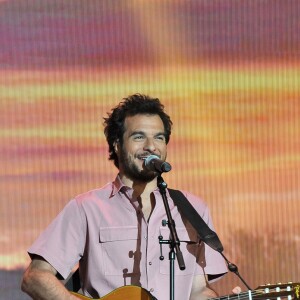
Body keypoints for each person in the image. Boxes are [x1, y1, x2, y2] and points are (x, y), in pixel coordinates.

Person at [21, 94, 228, 300]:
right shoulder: (86, 208)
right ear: (117, 145)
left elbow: (199, 290)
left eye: (159, 137)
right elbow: (35, 277)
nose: (151, 146)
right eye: (139, 137)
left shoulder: (193, 209)